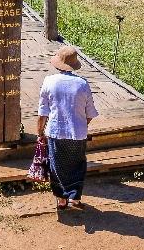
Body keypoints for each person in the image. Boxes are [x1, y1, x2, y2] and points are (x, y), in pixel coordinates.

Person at [37, 45, 99, 208]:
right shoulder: (82, 84)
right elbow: (90, 112)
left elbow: (43, 113)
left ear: (58, 64)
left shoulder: (49, 81)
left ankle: (61, 199)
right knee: (78, 164)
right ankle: (75, 198)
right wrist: (80, 125)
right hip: (78, 134)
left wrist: (40, 133)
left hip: (56, 132)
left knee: (56, 166)